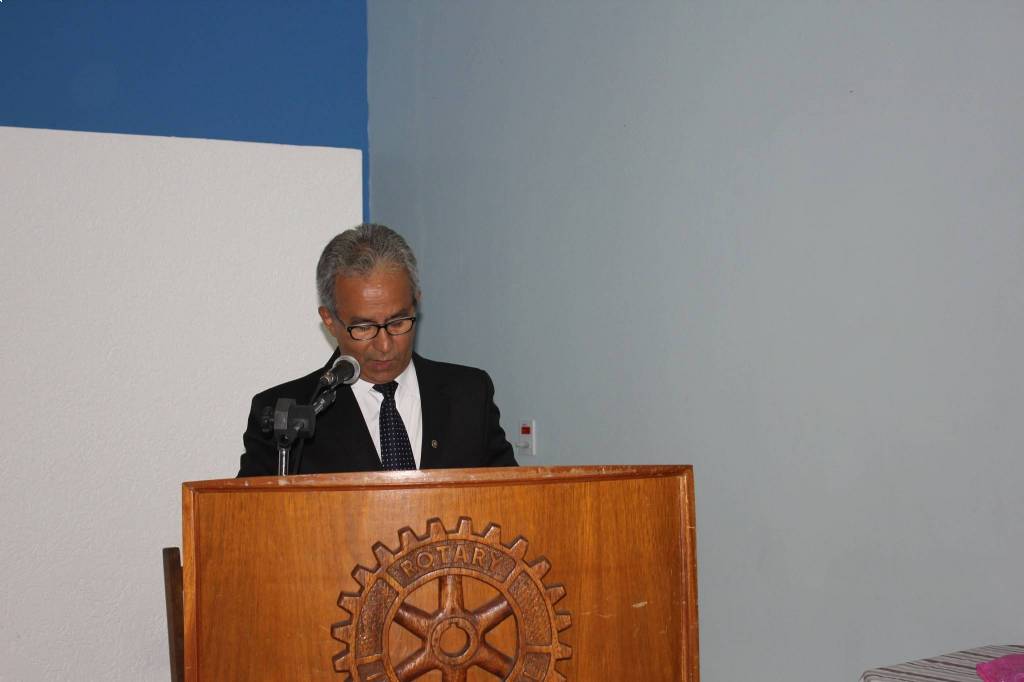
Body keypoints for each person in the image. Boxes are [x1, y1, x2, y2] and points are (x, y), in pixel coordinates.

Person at [238, 223, 517, 476]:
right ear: (330, 320)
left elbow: (512, 500)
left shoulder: (469, 395)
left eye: (398, 322)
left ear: (416, 304)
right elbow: (249, 513)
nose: (384, 345)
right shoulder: (285, 415)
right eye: (363, 327)